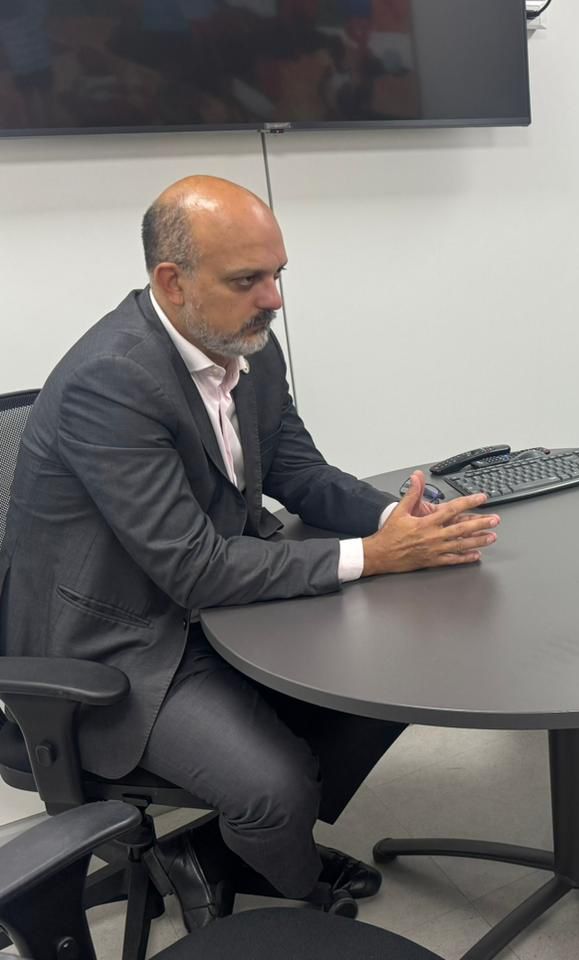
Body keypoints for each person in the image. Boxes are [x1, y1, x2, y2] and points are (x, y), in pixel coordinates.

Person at [0, 175, 501, 927]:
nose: (274, 300)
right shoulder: (109, 381)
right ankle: (286, 886)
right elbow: (193, 565)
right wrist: (376, 553)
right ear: (173, 281)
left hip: (212, 606)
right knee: (274, 787)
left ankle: (221, 849)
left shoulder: (244, 346)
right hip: (118, 642)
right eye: (248, 281)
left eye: (278, 275)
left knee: (407, 670)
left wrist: (410, 519)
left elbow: (299, 472)